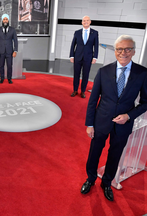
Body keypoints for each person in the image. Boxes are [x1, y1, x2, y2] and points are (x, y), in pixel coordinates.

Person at [81, 35, 147, 201]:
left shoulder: (142, 73)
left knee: (115, 154)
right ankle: (90, 179)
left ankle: (107, 183)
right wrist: (90, 124)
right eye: (119, 49)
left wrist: (129, 116)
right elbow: (93, 99)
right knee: (94, 152)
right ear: (115, 51)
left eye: (127, 49)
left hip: (123, 125)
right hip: (101, 121)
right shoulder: (104, 71)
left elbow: (146, 102)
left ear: (133, 51)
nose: (123, 52)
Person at [69, 15, 99, 98]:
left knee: (86, 75)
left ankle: (82, 91)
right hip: (77, 56)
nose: (85, 22)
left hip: (88, 57)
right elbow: (73, 45)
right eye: (84, 20)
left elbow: (96, 46)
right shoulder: (77, 32)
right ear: (82, 22)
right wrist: (71, 56)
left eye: (87, 20)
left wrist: (95, 57)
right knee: (76, 74)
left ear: (90, 22)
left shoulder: (95, 33)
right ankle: (75, 90)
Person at [0, 14, 18, 84]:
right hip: (0, 51)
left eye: (6, 19)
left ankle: (9, 78)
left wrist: (15, 50)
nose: (5, 21)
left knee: (9, 65)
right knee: (1, 65)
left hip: (10, 51)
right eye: (4, 19)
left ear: (8, 20)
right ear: (2, 20)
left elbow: (15, 40)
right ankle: (2, 78)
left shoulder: (12, 30)